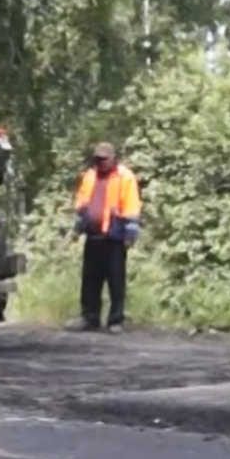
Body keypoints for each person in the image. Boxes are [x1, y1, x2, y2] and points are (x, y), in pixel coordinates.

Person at [68, 142, 142, 334]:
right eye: (97, 159)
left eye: (103, 159)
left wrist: (130, 234)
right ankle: (89, 318)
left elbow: (132, 206)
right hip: (93, 235)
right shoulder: (90, 176)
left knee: (116, 280)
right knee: (90, 279)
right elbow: (83, 205)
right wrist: (77, 229)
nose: (100, 162)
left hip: (114, 236)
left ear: (113, 158)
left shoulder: (125, 177)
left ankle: (115, 320)